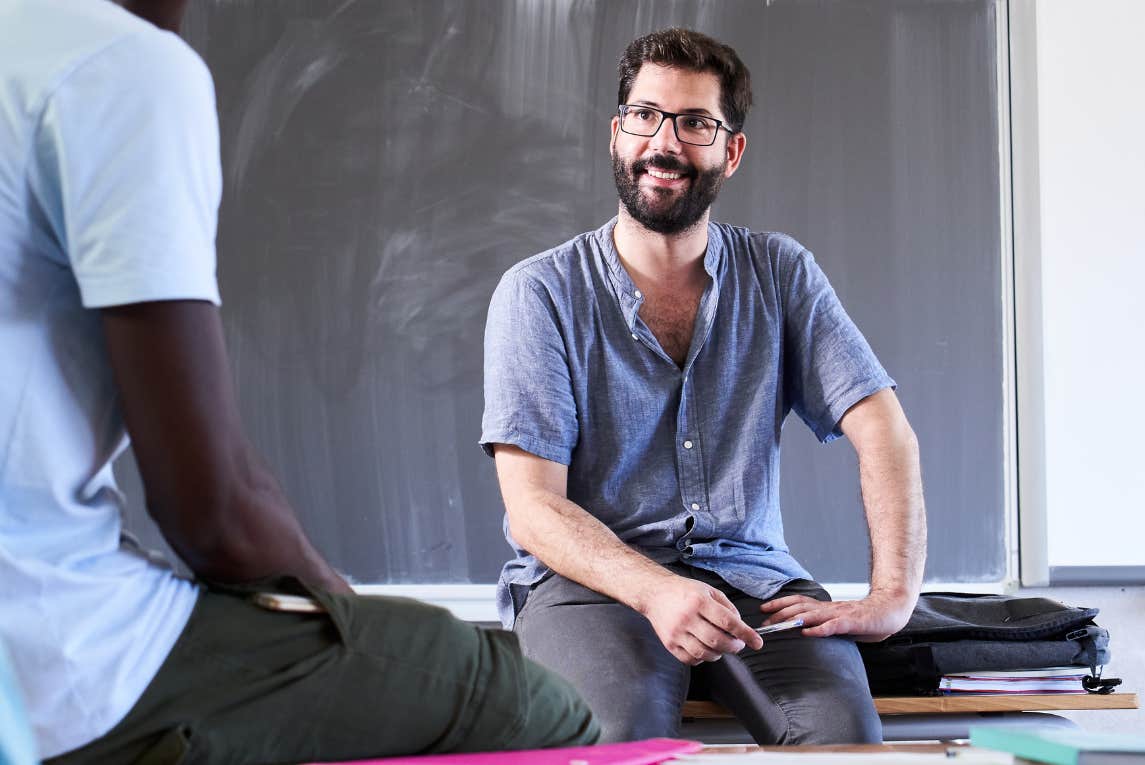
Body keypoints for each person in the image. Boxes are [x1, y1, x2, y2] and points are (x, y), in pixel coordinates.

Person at [0, 0, 595, 762]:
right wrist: (354, 622)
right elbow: (212, 514)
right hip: (51, 667)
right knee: (527, 703)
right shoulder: (123, 67)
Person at [481, 27, 927, 745]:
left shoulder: (781, 274)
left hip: (755, 584)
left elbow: (884, 427)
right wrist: (656, 589)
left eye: (695, 123)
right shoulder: (538, 293)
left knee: (844, 740)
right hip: (588, 586)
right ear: (617, 132)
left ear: (732, 150)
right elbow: (533, 508)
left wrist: (894, 595)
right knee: (621, 740)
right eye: (646, 115)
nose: (665, 142)